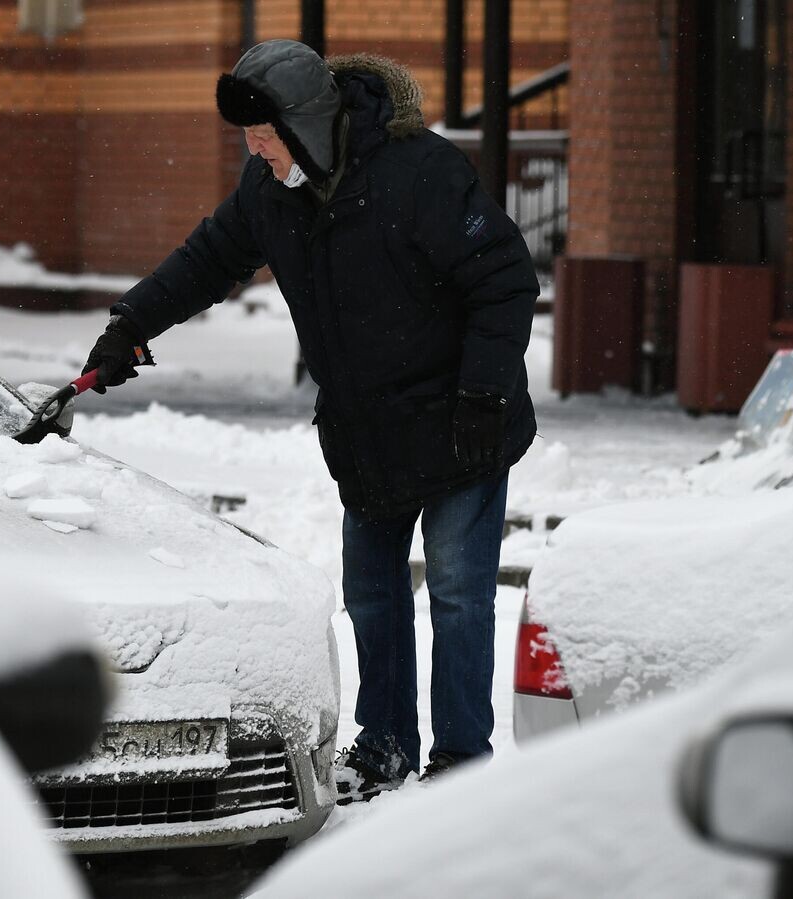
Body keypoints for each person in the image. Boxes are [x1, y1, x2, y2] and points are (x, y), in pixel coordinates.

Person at [81, 40, 538, 802]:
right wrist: (133, 325)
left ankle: (462, 761)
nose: (255, 153)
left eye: (264, 136)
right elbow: (207, 259)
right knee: (373, 594)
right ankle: (386, 743)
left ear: (307, 124)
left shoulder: (420, 173)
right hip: (369, 432)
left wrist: (485, 394)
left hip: (462, 419)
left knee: (458, 592)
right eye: (249, 141)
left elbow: (504, 278)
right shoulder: (270, 191)